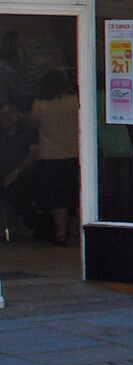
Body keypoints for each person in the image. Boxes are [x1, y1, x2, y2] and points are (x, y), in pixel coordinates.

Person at [26, 67, 79, 246]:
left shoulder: (40, 105)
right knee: (76, 194)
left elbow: (34, 123)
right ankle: (82, 230)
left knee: (57, 199)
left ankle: (60, 233)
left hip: (50, 155)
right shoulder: (75, 101)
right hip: (74, 153)